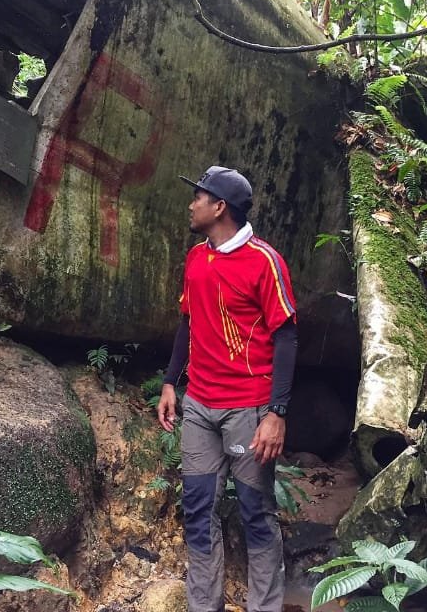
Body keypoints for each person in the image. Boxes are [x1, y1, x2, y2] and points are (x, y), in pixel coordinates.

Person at [157, 165, 298, 612]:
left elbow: (287, 336)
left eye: (198, 196)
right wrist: (169, 382)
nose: (191, 203)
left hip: (249, 411)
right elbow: (187, 321)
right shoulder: (197, 256)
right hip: (199, 405)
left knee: (256, 513)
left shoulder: (265, 261)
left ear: (219, 207)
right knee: (198, 510)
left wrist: (276, 412)